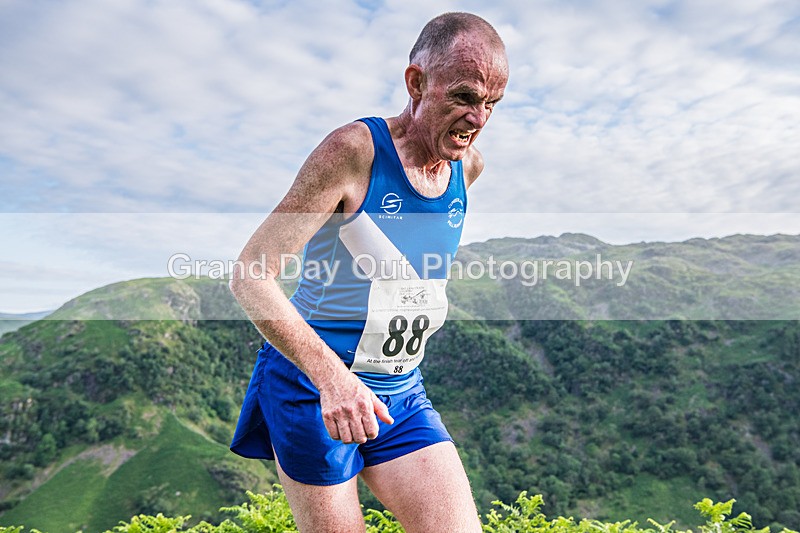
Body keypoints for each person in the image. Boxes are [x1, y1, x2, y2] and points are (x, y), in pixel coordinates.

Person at [228, 12, 509, 533]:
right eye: (466, 97)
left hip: (401, 389)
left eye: (492, 103)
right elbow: (250, 274)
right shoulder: (353, 152)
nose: (478, 119)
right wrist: (333, 379)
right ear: (417, 82)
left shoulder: (468, 169)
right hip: (315, 388)